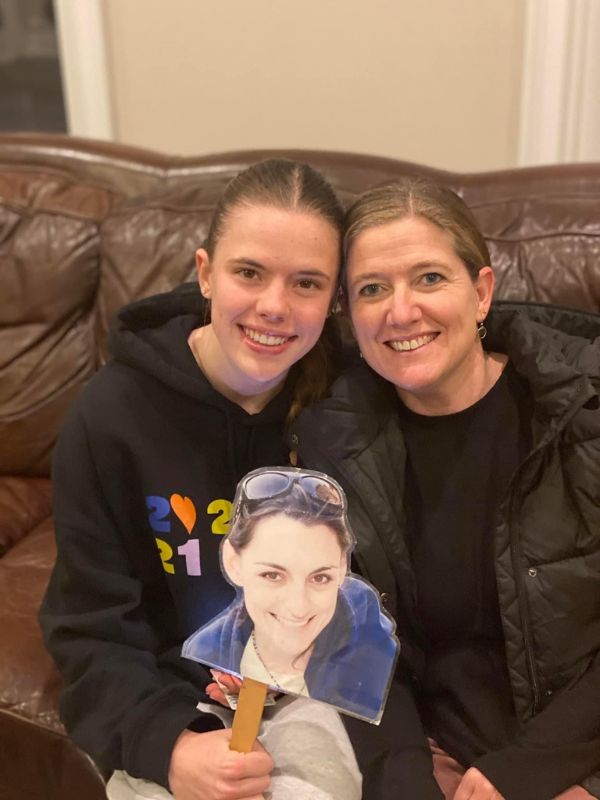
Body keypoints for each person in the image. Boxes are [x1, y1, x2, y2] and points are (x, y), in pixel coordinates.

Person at [39, 159, 364, 800]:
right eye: (249, 272)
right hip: (165, 699)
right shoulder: (110, 416)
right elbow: (88, 624)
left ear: (333, 301)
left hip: (311, 694)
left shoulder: (349, 410)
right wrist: (169, 743)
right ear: (206, 273)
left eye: (306, 283)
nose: (274, 306)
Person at [291, 178, 600, 800]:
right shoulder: (334, 441)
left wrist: (529, 772)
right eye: (373, 289)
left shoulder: (580, 408)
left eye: (430, 278)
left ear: (482, 292)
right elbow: (350, 640)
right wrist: (403, 778)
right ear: (350, 315)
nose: (401, 312)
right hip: (437, 746)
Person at [183, 467, 398, 722]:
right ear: (233, 562)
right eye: (273, 575)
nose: (298, 606)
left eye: (320, 578)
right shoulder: (215, 650)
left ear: (341, 567)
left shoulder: (371, 649)